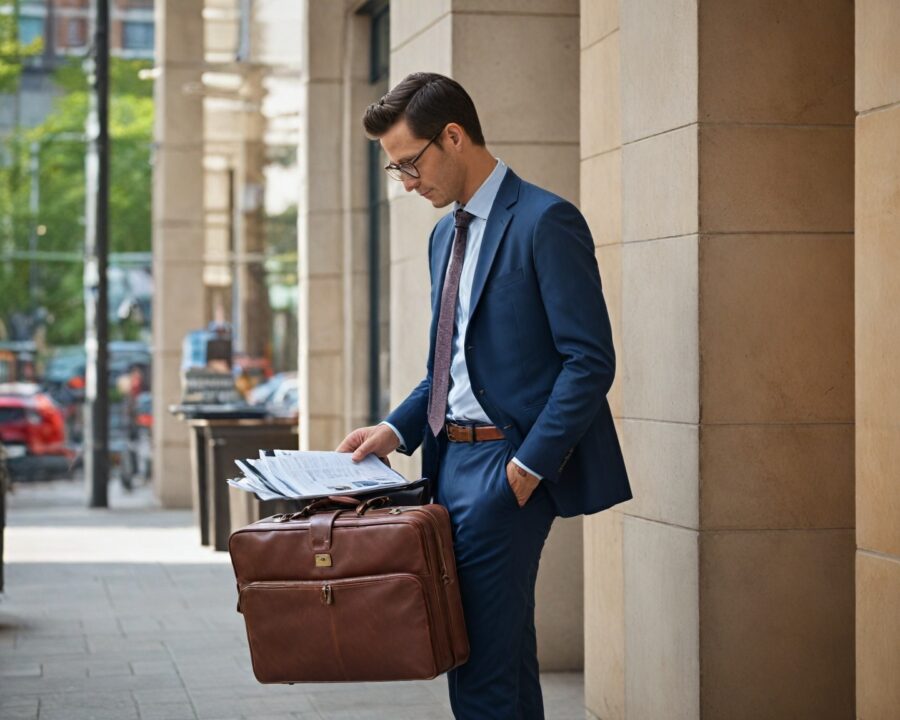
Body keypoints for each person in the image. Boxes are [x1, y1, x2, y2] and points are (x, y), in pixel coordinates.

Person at [336, 72, 631, 720]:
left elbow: (589, 360)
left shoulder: (546, 220)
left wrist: (528, 468)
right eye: (396, 171)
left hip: (509, 468)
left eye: (411, 164)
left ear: (453, 136)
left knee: (474, 668)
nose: (408, 184)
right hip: (447, 464)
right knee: (498, 656)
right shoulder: (446, 235)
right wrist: (393, 430)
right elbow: (451, 364)